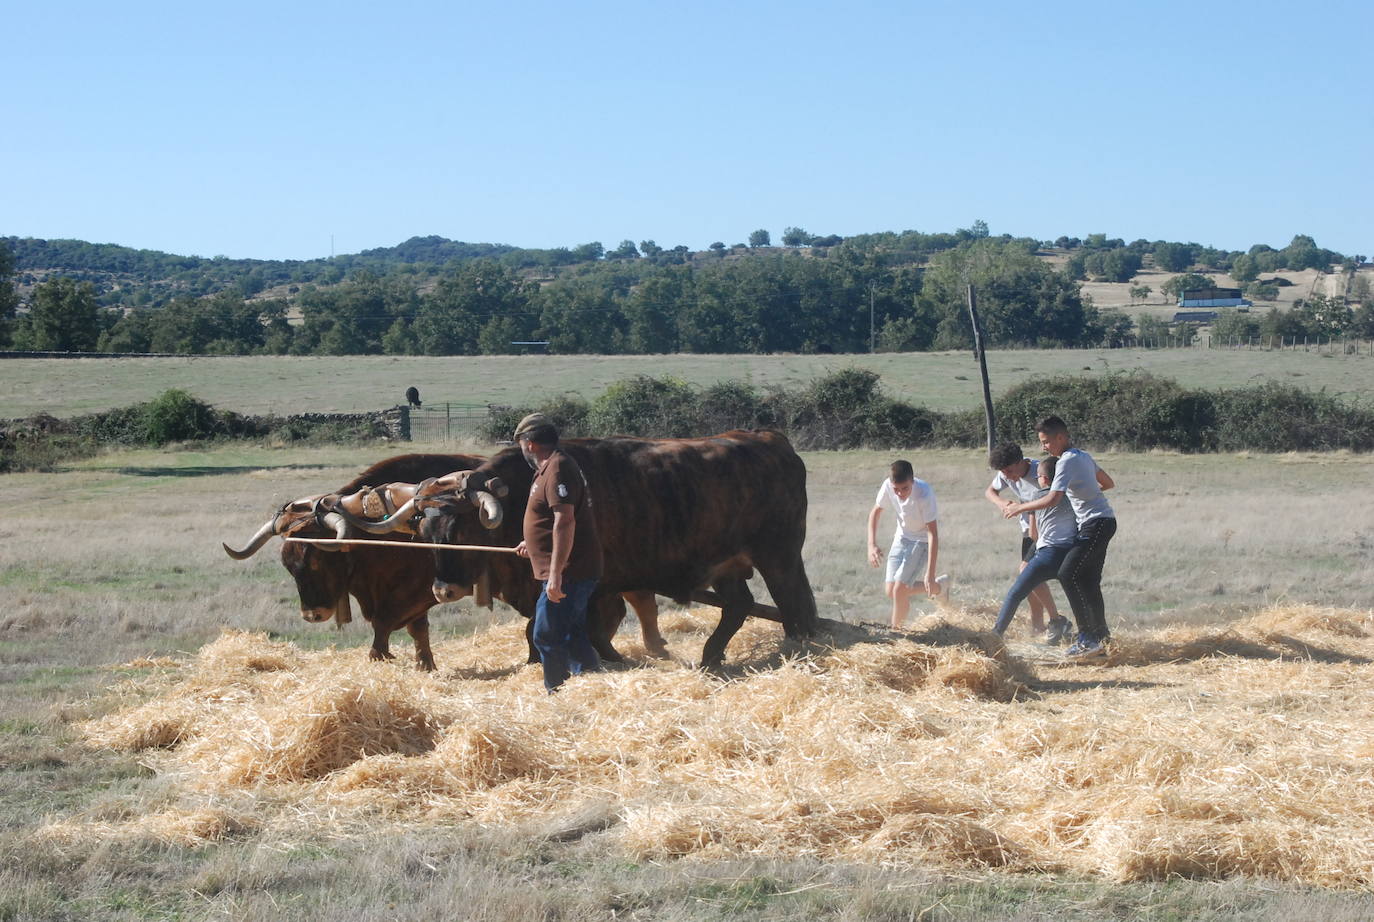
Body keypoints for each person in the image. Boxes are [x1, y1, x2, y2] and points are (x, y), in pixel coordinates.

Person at [1004, 416, 1117, 660]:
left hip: (1094, 524)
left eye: (1046, 442)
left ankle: (1087, 638)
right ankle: (1102, 637)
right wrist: (1084, 494)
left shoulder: (1065, 461)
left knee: (1068, 574)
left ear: (1060, 438)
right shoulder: (1083, 456)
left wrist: (1020, 508)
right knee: (1088, 580)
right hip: (1104, 521)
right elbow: (1108, 483)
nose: (1044, 447)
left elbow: (1053, 498)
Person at [512, 413, 604, 691]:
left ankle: (558, 695)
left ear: (529, 443)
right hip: (568, 569)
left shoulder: (558, 468)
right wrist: (533, 541)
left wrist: (555, 575)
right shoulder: (549, 469)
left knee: (546, 636)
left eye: (520, 444)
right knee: (572, 634)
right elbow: (550, 519)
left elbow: (565, 520)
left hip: (570, 572)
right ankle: (593, 687)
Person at [984, 443, 1070, 643]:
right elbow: (990, 492)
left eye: (1010, 471)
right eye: (1003, 473)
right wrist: (1004, 504)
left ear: (1020, 462)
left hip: (1045, 534)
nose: (1007, 476)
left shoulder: (1042, 472)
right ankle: (1040, 625)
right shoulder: (1006, 473)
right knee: (1032, 581)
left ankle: (1056, 621)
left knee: (1026, 574)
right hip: (1029, 532)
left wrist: (1021, 508)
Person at [866, 459, 949, 630]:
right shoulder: (888, 486)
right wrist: (871, 545)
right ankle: (940, 588)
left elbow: (933, 533)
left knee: (899, 591)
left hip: (922, 540)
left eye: (905, 488)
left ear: (912, 480)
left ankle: (896, 633)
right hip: (902, 537)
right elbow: (875, 512)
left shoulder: (924, 494)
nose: (900, 493)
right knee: (891, 591)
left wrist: (930, 573)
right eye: (896, 489)